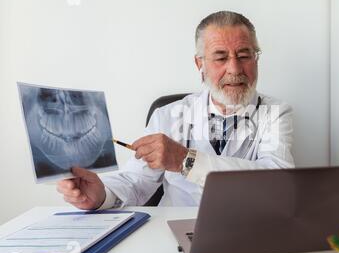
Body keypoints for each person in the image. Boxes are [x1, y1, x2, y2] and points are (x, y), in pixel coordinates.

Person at [57, 11, 295, 209]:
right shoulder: (168, 115)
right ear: (199, 64)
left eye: (244, 55)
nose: (234, 68)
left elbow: (278, 182)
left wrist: (184, 160)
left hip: (247, 232)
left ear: (256, 59)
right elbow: (136, 182)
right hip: (174, 233)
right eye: (220, 58)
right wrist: (100, 195)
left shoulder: (275, 112)